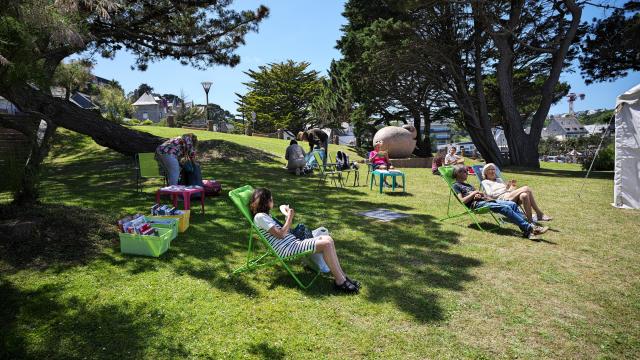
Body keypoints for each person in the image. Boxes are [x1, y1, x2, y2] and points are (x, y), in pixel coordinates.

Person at [250, 188, 361, 293]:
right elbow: (280, 235)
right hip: (288, 249)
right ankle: (340, 281)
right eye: (271, 198)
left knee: (328, 239)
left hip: (292, 244)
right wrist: (290, 217)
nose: (272, 200)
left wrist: (286, 219)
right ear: (266, 201)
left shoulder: (265, 216)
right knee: (326, 244)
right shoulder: (260, 217)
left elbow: (282, 232)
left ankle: (342, 277)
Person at [451, 165, 548, 240]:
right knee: (505, 208)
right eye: (462, 171)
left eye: (466, 171)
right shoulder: (455, 185)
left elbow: (477, 194)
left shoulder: (468, 184)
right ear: (456, 174)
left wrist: (478, 194)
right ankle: (530, 228)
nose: (466, 173)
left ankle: (527, 232)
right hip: (477, 205)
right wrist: (475, 193)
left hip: (485, 199)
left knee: (512, 204)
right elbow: (462, 201)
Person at [481, 163, 552, 223]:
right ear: (485, 172)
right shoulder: (485, 182)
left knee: (524, 195)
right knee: (526, 188)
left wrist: (512, 187)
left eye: (493, 169)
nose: (493, 171)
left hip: (509, 196)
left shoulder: (499, 180)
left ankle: (530, 221)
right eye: (490, 169)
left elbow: (508, 191)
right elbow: (491, 195)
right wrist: (506, 189)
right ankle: (539, 214)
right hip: (501, 199)